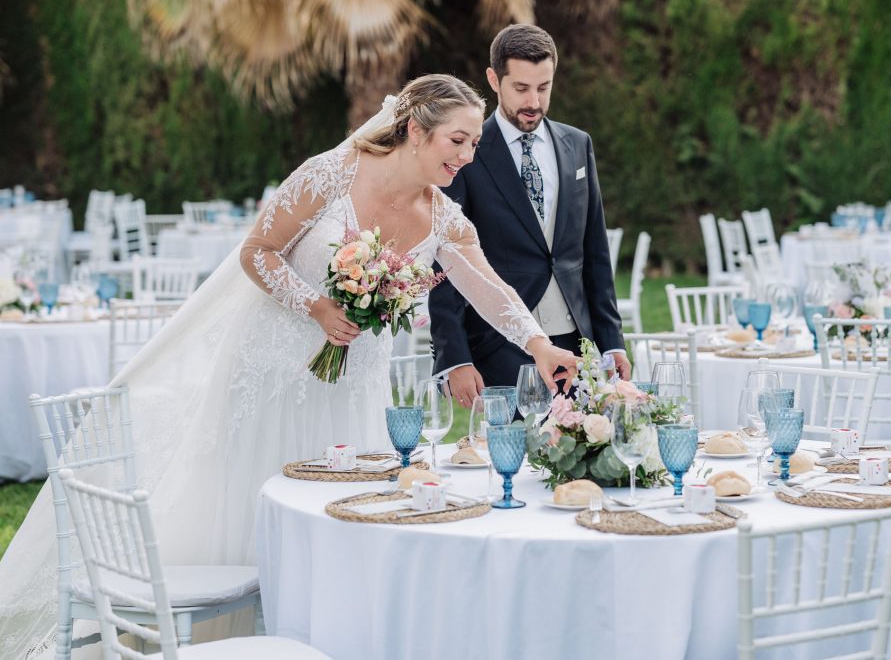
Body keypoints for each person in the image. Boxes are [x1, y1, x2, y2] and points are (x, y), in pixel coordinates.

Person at [0, 73, 577, 659]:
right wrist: (317, 305)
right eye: (457, 140)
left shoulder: (445, 219)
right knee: (251, 518)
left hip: (352, 393)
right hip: (273, 380)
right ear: (415, 131)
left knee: (340, 524)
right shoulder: (330, 174)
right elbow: (258, 250)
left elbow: (491, 291)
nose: (467, 155)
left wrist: (539, 345)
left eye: (474, 143)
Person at [430, 24, 631, 408]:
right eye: (521, 88)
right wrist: (454, 356)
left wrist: (611, 343)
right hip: (498, 344)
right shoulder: (465, 153)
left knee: (578, 459)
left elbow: (595, 252)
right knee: (508, 462)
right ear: (494, 79)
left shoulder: (577, 145)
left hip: (576, 345)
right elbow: (446, 263)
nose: (534, 101)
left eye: (544, 87)